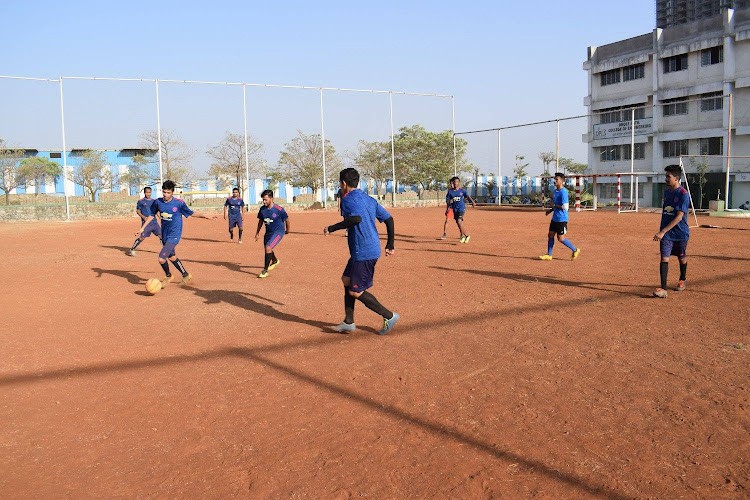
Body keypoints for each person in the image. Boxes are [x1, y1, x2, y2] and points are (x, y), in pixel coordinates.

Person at [324, 167, 399, 335]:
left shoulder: (348, 199)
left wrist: (332, 227)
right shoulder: (368, 199)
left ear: (343, 183)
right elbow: (389, 219)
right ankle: (348, 322)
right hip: (367, 249)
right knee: (346, 279)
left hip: (363, 252)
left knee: (355, 290)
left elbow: (355, 219)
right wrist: (390, 244)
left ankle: (389, 315)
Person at [135, 180, 216, 285]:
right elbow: (151, 215)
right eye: (164, 192)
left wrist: (206, 216)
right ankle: (186, 275)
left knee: (161, 258)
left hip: (174, 235)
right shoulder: (157, 202)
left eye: (168, 192)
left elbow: (191, 213)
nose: (165, 195)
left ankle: (168, 276)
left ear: (172, 192)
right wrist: (142, 228)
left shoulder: (179, 203)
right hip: (165, 234)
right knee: (172, 256)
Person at [653, 164, 690, 298]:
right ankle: (663, 289)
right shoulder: (667, 192)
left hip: (680, 233)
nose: (666, 179)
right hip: (667, 234)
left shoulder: (683, 194)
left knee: (682, 257)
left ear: (676, 178)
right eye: (666, 176)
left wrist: (662, 232)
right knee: (664, 258)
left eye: (668, 176)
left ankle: (682, 279)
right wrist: (663, 231)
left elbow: (679, 216)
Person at [539, 172, 581, 261]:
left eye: (556, 179)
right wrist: (550, 210)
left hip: (562, 219)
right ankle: (549, 255)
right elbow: (556, 205)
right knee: (550, 235)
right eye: (554, 179)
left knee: (561, 239)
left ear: (561, 181)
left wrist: (554, 206)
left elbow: (565, 207)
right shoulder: (555, 191)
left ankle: (575, 249)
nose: (554, 181)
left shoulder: (564, 192)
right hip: (555, 218)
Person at [255, 190, 290, 278]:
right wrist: (257, 233)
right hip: (268, 233)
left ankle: (265, 270)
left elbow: (287, 219)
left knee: (268, 247)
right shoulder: (262, 209)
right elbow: (260, 221)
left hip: (279, 232)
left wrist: (287, 230)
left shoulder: (279, 210)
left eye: (266, 200)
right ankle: (274, 260)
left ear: (271, 199)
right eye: (263, 200)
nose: (264, 202)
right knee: (268, 248)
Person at [127, 186, 161, 256]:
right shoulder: (141, 201)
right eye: (147, 192)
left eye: (150, 192)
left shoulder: (154, 201)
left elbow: (156, 211)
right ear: (144, 193)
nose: (148, 194)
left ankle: (166, 251)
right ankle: (132, 249)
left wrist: (160, 218)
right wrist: (143, 217)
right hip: (146, 223)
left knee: (161, 236)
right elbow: (138, 211)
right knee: (142, 237)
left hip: (154, 222)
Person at [445, 176, 476, 243]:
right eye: (454, 182)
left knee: (459, 221)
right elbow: (448, 202)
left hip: (461, 208)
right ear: (452, 183)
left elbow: (467, 196)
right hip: (454, 209)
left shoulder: (462, 190)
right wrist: (447, 209)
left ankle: (467, 235)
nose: (456, 183)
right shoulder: (450, 192)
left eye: (457, 182)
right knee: (458, 223)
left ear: (459, 183)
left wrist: (472, 202)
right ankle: (462, 235)